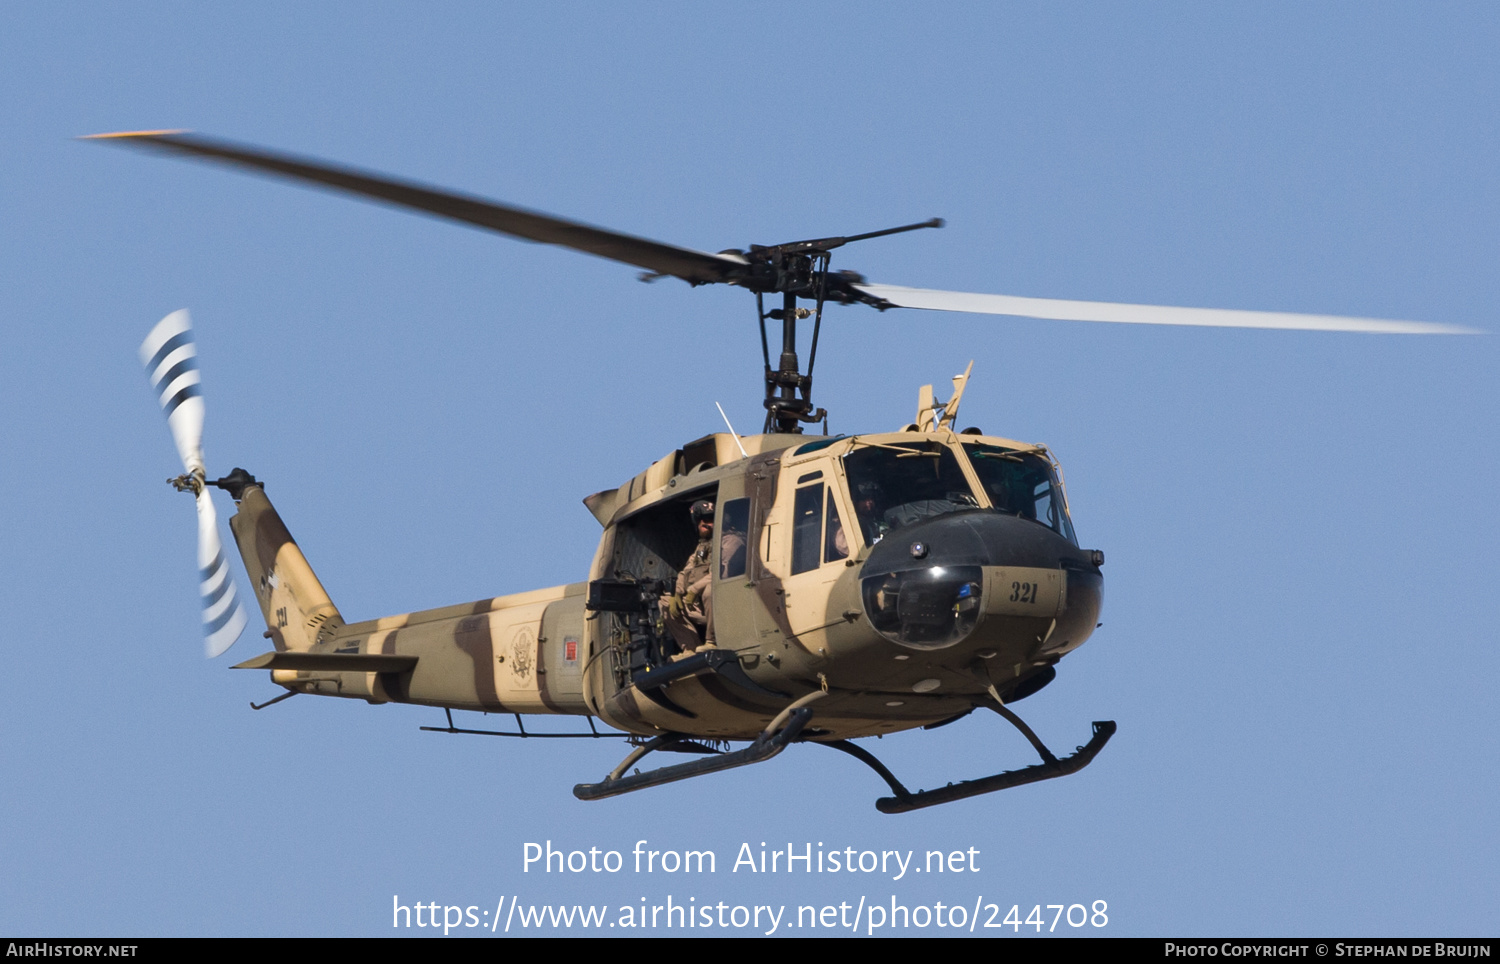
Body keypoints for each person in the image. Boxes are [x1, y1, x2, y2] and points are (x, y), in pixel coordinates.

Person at [665, 500, 718, 653]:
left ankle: (711, 641)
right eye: (700, 520)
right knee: (665, 602)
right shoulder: (701, 548)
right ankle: (690, 649)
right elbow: (686, 571)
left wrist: (694, 589)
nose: (705, 524)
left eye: (709, 520)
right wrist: (678, 593)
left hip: (716, 606)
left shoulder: (724, 543)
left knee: (710, 590)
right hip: (699, 607)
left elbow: (720, 573)